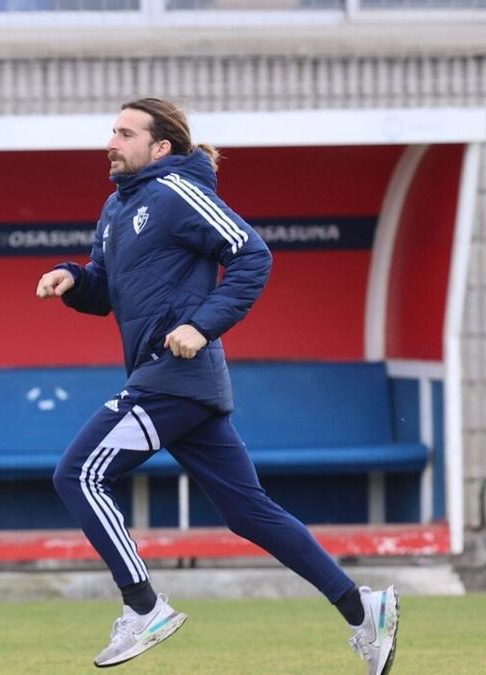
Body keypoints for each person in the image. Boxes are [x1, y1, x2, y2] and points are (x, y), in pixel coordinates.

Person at [35, 98, 399, 674]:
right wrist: (73, 279)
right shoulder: (115, 207)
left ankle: (144, 606)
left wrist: (200, 326)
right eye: (111, 131)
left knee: (78, 472)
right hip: (171, 382)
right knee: (249, 513)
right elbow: (104, 291)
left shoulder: (178, 191)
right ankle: (363, 608)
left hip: (173, 377)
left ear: (161, 148)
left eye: (124, 133)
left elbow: (253, 255)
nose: (110, 141)